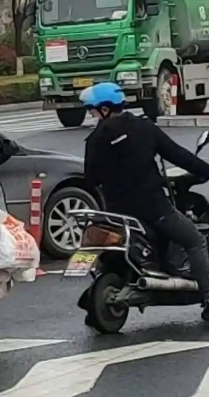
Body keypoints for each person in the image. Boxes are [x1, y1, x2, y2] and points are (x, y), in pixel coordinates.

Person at [81, 82, 209, 321]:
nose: (92, 114)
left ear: (105, 110)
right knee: (195, 241)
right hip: (153, 208)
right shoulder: (144, 128)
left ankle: (95, 304)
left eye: (93, 110)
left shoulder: (96, 139)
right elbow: (179, 155)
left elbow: (92, 178)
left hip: (116, 212)